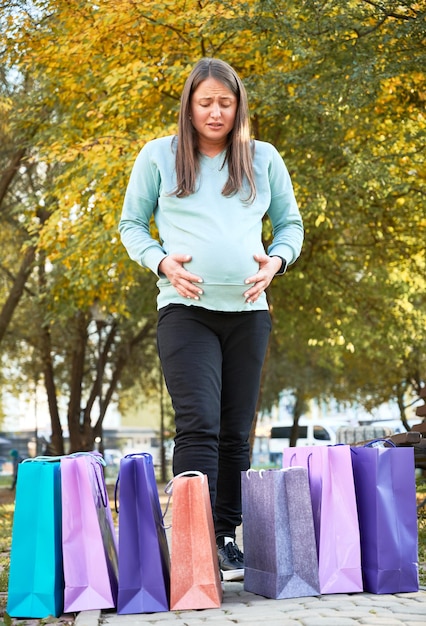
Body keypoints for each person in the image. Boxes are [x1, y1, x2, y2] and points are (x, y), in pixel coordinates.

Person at [119, 57, 303, 581]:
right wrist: (160, 261)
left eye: (226, 102)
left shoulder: (262, 159)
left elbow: (290, 224)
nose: (216, 112)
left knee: (235, 434)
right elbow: (132, 222)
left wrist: (277, 260)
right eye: (206, 103)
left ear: (238, 106)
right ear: (189, 106)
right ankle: (191, 544)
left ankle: (223, 540)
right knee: (198, 421)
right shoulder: (159, 156)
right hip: (185, 309)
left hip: (249, 312)